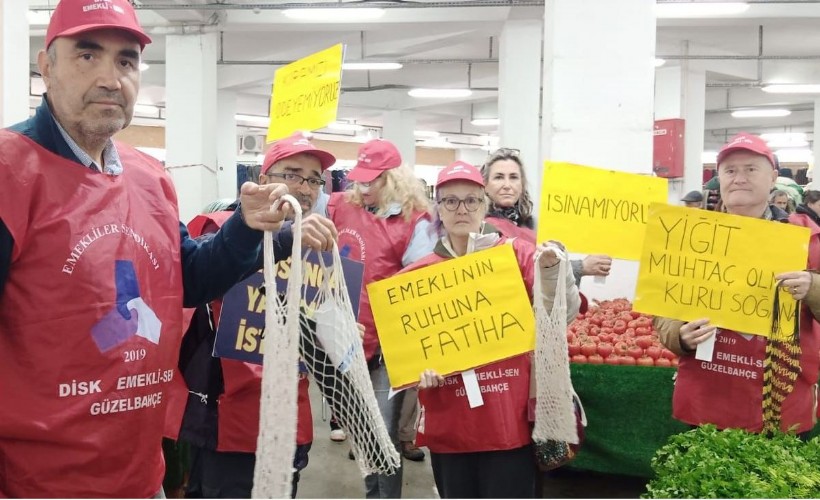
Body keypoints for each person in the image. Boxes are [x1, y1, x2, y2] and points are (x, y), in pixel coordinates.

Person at [0, 1, 336, 497]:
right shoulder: (11, 171)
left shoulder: (149, 176)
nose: (112, 79)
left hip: (141, 473)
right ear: (45, 66)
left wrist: (247, 229)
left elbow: (187, 279)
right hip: (36, 482)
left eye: (126, 60)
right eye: (87, 56)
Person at [172, 133, 338, 498]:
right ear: (264, 181)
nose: (305, 187)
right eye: (292, 174)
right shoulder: (219, 227)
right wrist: (283, 236)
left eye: (314, 179)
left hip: (288, 416)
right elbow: (200, 272)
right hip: (227, 421)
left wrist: (340, 331)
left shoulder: (318, 249)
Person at [409, 161, 581, 498]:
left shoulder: (517, 254)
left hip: (507, 419)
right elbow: (409, 351)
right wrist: (418, 370)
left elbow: (564, 314)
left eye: (472, 200)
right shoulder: (419, 276)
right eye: (451, 201)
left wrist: (551, 274)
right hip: (450, 421)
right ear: (438, 210)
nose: (462, 209)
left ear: (484, 204)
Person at [655, 132, 820, 435]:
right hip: (708, 396)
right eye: (730, 171)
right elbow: (664, 310)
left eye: (750, 169)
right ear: (719, 179)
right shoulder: (690, 238)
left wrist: (812, 288)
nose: (739, 178)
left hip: (780, 398)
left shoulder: (808, 238)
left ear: (772, 177)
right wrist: (679, 334)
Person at [327, 138, 436, 498]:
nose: (363, 187)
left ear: (392, 178)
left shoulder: (414, 222)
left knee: (383, 433)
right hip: (346, 338)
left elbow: (421, 285)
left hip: (388, 346)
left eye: (372, 180)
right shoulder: (342, 207)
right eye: (360, 179)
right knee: (361, 430)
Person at [480, 147, 612, 285]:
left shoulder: (533, 225)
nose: (507, 185)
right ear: (485, 185)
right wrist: (581, 267)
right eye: (498, 177)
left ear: (522, 184)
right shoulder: (483, 230)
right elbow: (518, 274)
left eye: (513, 177)